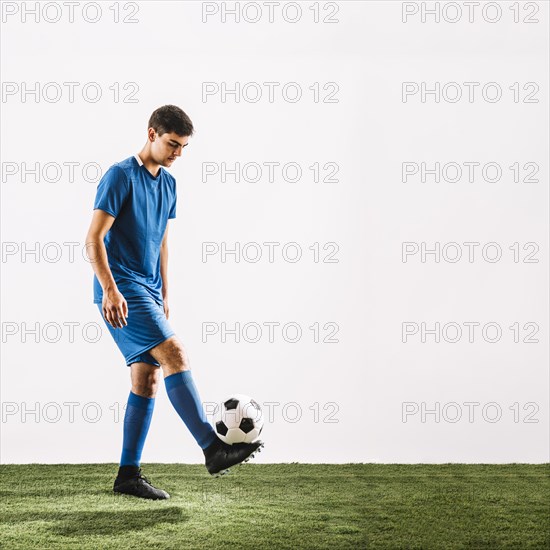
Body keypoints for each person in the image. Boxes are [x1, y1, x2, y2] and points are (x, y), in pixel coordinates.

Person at [85, 105, 263, 500]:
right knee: (176, 352)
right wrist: (110, 290)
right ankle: (212, 448)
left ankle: (127, 476)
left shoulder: (168, 183)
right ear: (151, 134)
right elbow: (93, 239)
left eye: (183, 147)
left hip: (147, 290)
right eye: (172, 144)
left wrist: (165, 290)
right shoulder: (120, 176)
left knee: (146, 379)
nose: (177, 153)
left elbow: (162, 237)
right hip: (121, 287)